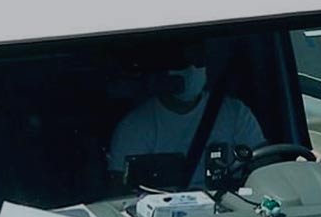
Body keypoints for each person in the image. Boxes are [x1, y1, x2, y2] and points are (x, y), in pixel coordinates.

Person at [105, 59, 264, 188]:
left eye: (198, 60)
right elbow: (121, 192)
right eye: (183, 62)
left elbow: (265, 165)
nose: (192, 69)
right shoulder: (134, 127)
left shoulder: (235, 112)